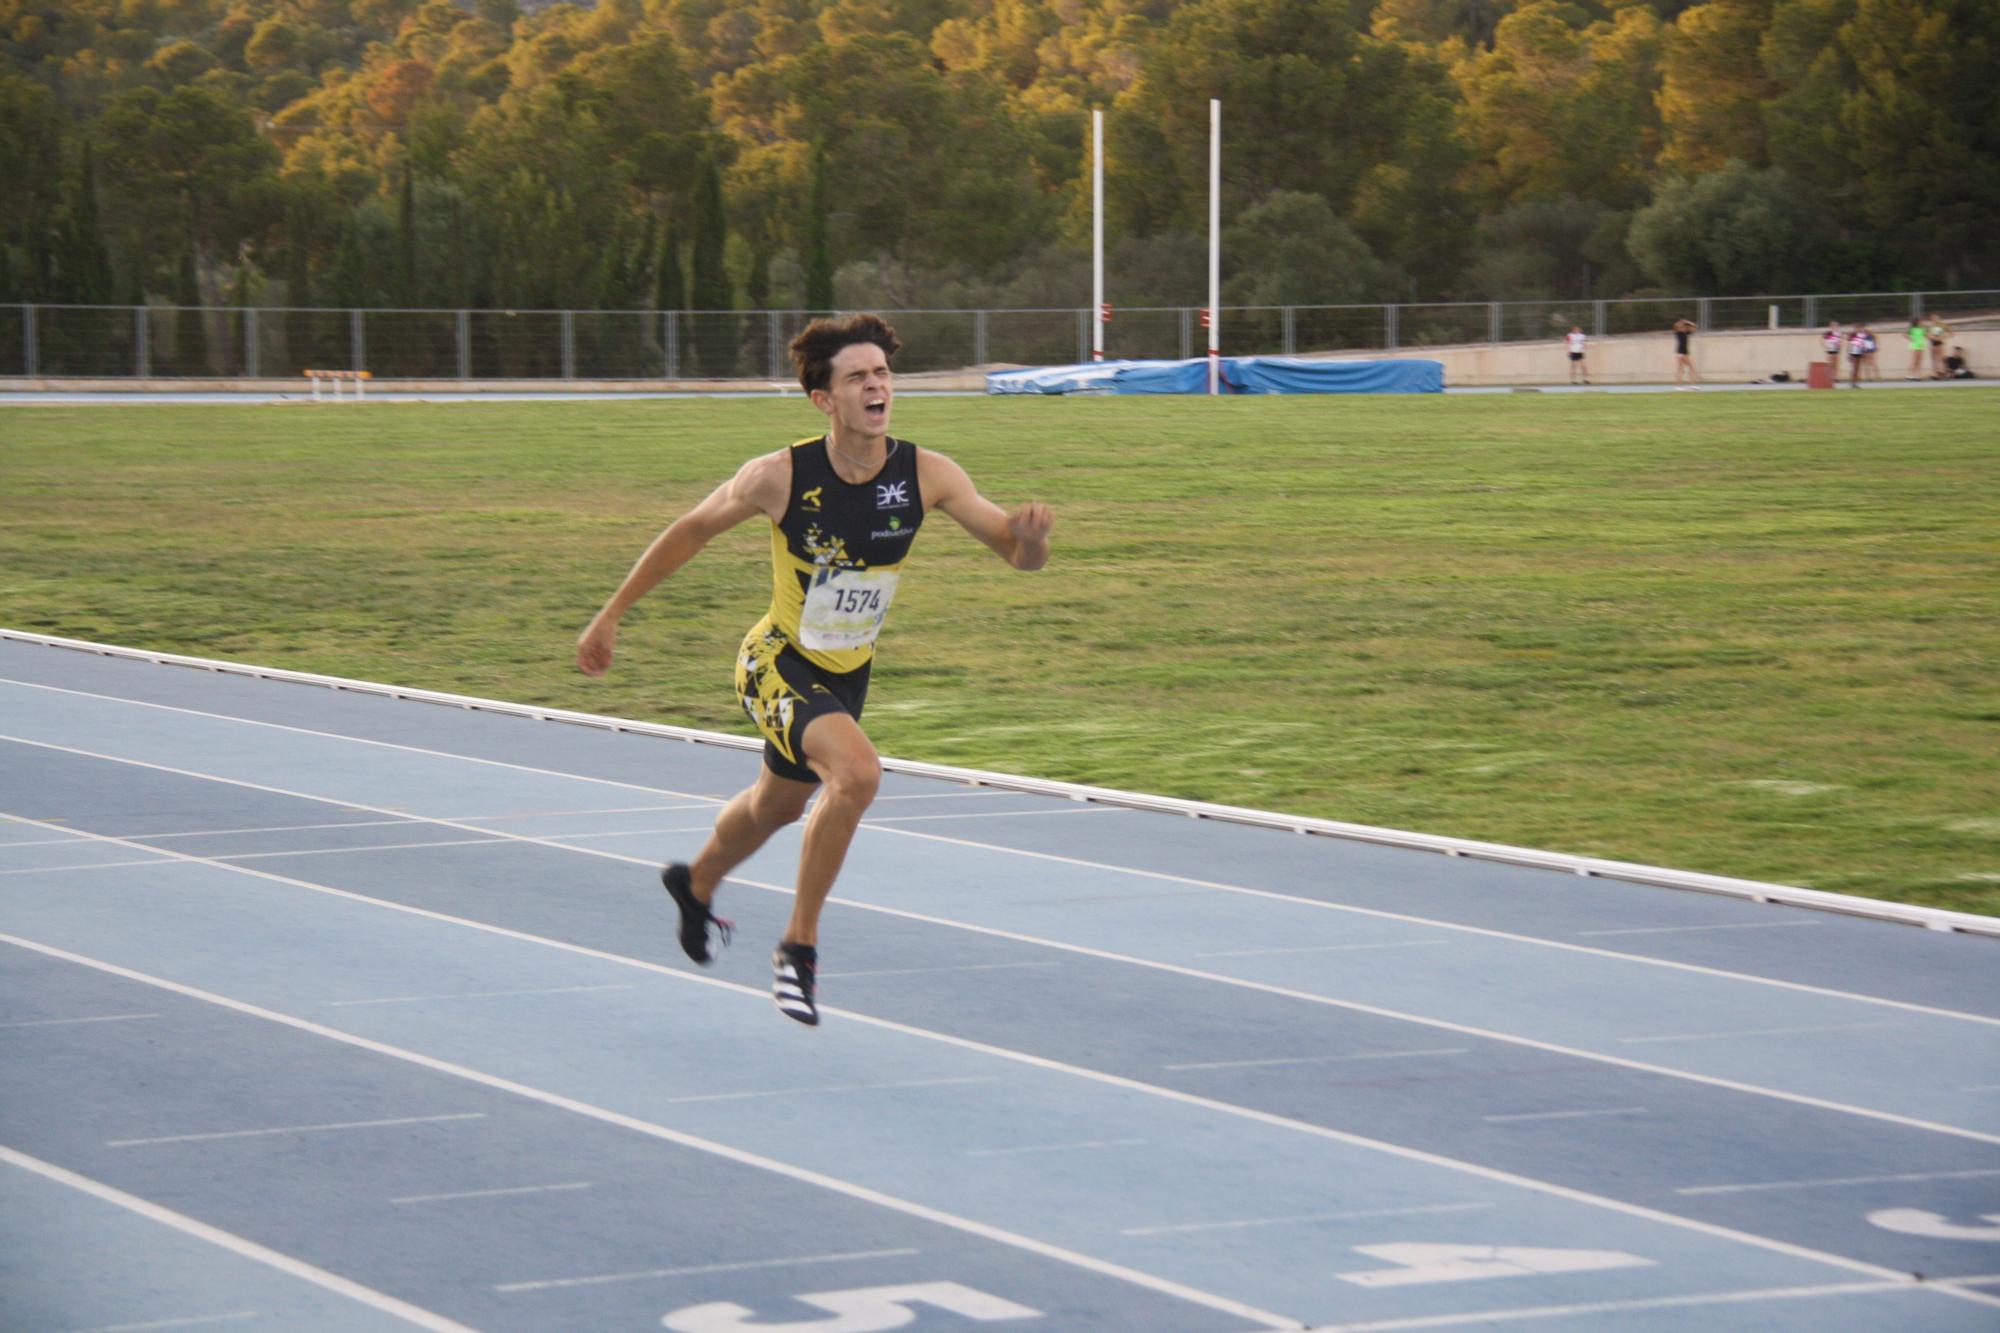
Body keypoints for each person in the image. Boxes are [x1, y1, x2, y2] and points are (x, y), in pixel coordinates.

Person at [575, 314, 1054, 1027]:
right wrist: (611, 612)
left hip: (846, 672)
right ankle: (798, 948)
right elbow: (692, 530)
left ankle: (695, 883)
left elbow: (1016, 557)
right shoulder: (778, 476)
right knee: (857, 775)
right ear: (824, 399)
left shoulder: (928, 474)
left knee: (778, 806)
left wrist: (1034, 540)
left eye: (883, 374)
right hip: (775, 661)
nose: (876, 385)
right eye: (857, 376)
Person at [1672, 317, 1698, 388]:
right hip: (1682, 353)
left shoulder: (1686, 333)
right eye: (1682, 327)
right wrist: (1682, 322)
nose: (1683, 328)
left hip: (1683, 353)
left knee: (1681, 369)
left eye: (1684, 327)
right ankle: (1692, 385)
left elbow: (1695, 327)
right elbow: (1676, 326)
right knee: (1691, 368)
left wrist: (1688, 322)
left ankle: (1678, 386)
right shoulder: (1678, 333)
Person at [1927, 314, 1952, 378]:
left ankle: (1943, 372)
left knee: (1940, 358)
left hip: (1939, 343)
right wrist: (1930, 337)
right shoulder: (1931, 326)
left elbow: (1951, 333)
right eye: (1932, 319)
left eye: (1936, 318)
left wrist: (1944, 337)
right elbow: (1928, 335)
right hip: (1932, 343)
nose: (1934, 320)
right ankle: (1935, 373)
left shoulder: (1941, 325)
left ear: (1938, 318)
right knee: (1934, 359)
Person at [1846, 323, 1868, 387]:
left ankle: (1855, 383)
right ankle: (1852, 382)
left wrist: (1864, 352)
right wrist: (1848, 354)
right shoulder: (1852, 335)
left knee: (1857, 368)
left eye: (1859, 328)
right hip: (1853, 352)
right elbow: (1849, 345)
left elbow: (1863, 344)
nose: (1858, 329)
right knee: (1854, 368)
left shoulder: (1863, 335)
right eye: (1856, 328)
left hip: (1860, 352)